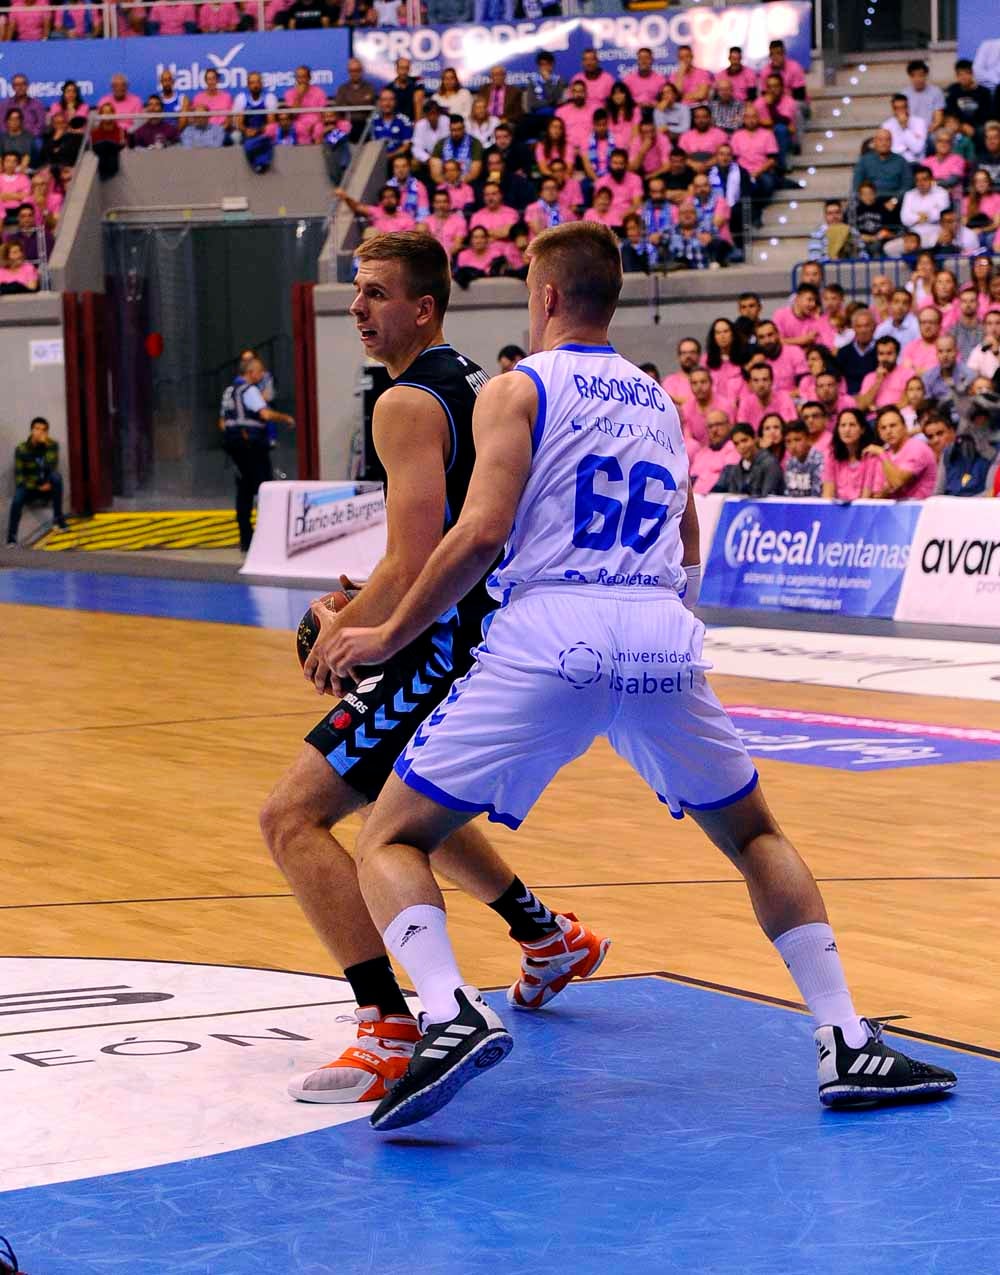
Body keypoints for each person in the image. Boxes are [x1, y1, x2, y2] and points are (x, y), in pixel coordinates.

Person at [318, 220, 955, 1130]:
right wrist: (672, 615)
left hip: (556, 632)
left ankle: (449, 1011)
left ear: (542, 296)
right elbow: (688, 529)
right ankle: (846, 1037)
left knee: (390, 836)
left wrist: (382, 633)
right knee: (755, 834)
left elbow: (483, 531)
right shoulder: (660, 400)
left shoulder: (518, 387)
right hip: (662, 631)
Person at [262, 230, 607, 1108]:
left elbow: (415, 560)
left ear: (424, 306)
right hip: (491, 635)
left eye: (378, 292)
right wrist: (366, 596)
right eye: (357, 291)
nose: (358, 307)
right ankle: (547, 936)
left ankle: (389, 1021)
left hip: (439, 644)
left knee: (293, 819)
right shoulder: (474, 381)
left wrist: (351, 624)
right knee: (407, 803)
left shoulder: (404, 404)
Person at [218, 356, 293, 553]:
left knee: (243, 491)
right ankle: (266, 538)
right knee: (264, 488)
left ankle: (246, 538)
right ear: (250, 373)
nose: (262, 375)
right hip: (251, 446)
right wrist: (285, 418)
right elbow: (265, 414)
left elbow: (222, 420)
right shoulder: (249, 390)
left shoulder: (229, 391)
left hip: (234, 446)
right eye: (259, 371)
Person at [6, 416, 67, 544]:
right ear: (31, 430)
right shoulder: (21, 449)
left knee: (57, 477)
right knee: (17, 499)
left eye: (43, 430)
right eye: (37, 429)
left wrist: (46, 446)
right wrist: (37, 487)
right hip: (30, 488)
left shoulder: (52, 445)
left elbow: (52, 467)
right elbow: (19, 478)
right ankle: (11, 538)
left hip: (47, 488)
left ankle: (58, 520)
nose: (40, 432)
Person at [866, 405, 937, 499]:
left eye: (893, 425)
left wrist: (881, 454)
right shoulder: (885, 454)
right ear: (879, 433)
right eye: (883, 428)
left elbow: (897, 483)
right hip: (894, 511)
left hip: (921, 510)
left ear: (905, 427)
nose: (888, 431)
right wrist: (885, 491)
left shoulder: (917, 448)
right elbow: (876, 496)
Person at [822, 408, 879, 500]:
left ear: (862, 429)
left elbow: (866, 497)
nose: (847, 430)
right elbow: (827, 494)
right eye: (843, 425)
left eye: (852, 425)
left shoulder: (871, 457)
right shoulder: (831, 456)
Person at [852, 128, 912, 202]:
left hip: (894, 202)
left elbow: (907, 186)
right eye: (880, 140)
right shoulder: (864, 161)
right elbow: (856, 186)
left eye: (887, 140)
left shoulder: (901, 161)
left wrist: (894, 201)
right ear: (874, 142)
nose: (884, 143)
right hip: (870, 201)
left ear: (892, 142)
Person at [735, 360, 796, 430]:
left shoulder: (784, 398)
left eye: (765, 379)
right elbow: (742, 432)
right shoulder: (745, 403)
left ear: (771, 381)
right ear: (750, 383)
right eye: (756, 380)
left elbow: (790, 428)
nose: (761, 385)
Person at [944, 60, 992, 139]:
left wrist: (970, 126)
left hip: (978, 125)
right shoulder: (953, 90)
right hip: (958, 124)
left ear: (972, 74)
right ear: (956, 76)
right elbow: (950, 112)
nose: (963, 77)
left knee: (982, 130)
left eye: (966, 73)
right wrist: (962, 126)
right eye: (960, 74)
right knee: (949, 129)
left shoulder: (983, 92)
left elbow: (986, 115)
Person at [335, 59, 377, 144]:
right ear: (348, 72)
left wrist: (350, 104)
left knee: (363, 129)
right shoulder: (342, 89)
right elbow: (339, 107)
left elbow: (370, 104)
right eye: (352, 71)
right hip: (347, 122)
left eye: (357, 70)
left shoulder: (369, 87)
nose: (354, 73)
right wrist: (361, 102)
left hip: (365, 122)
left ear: (361, 71)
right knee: (332, 139)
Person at [781, 419, 824, 496]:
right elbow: (788, 493)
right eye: (788, 441)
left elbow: (817, 495)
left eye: (797, 440)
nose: (793, 446)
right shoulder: (790, 463)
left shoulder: (819, 461)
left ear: (808, 439)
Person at [882, 93, 928, 164]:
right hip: (894, 163)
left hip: (915, 162)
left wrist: (904, 128)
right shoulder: (886, 125)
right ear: (893, 110)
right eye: (897, 108)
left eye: (903, 107)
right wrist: (906, 148)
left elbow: (917, 149)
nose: (900, 111)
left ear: (908, 108)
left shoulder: (919, 122)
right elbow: (889, 150)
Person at [905, 59, 945, 132]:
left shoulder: (936, 92)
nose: (917, 79)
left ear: (926, 75)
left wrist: (926, 132)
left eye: (921, 75)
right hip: (911, 132)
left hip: (931, 131)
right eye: (914, 76)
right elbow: (903, 118)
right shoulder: (904, 94)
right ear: (910, 77)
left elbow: (938, 120)